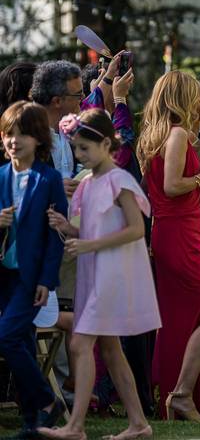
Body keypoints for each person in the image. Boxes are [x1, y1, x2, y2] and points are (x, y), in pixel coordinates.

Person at [40, 109, 159, 440]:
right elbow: (81, 231)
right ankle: (139, 424)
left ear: (107, 143)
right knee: (110, 349)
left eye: (85, 149)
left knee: (80, 343)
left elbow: (136, 230)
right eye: (75, 148)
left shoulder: (120, 181)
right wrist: (65, 228)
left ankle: (75, 427)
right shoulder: (85, 185)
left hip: (114, 276)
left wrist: (89, 244)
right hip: (93, 277)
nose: (79, 155)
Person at [137, 71, 200, 422]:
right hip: (179, 234)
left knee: (181, 319)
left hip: (177, 230)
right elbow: (174, 186)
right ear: (181, 98)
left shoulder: (165, 135)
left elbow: (185, 190)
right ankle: (182, 395)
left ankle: (178, 395)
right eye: (195, 96)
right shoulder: (174, 136)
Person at [0, 101, 67, 438]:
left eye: (23, 134)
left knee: (7, 337)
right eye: (9, 134)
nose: (14, 140)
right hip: (4, 277)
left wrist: (47, 279)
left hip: (30, 277)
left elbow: (56, 236)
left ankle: (46, 400)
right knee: (22, 342)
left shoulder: (50, 179)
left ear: (39, 138)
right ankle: (33, 421)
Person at [29, 60, 83, 198]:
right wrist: (51, 188)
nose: (82, 100)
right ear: (57, 101)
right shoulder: (21, 135)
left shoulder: (79, 131)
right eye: (78, 95)